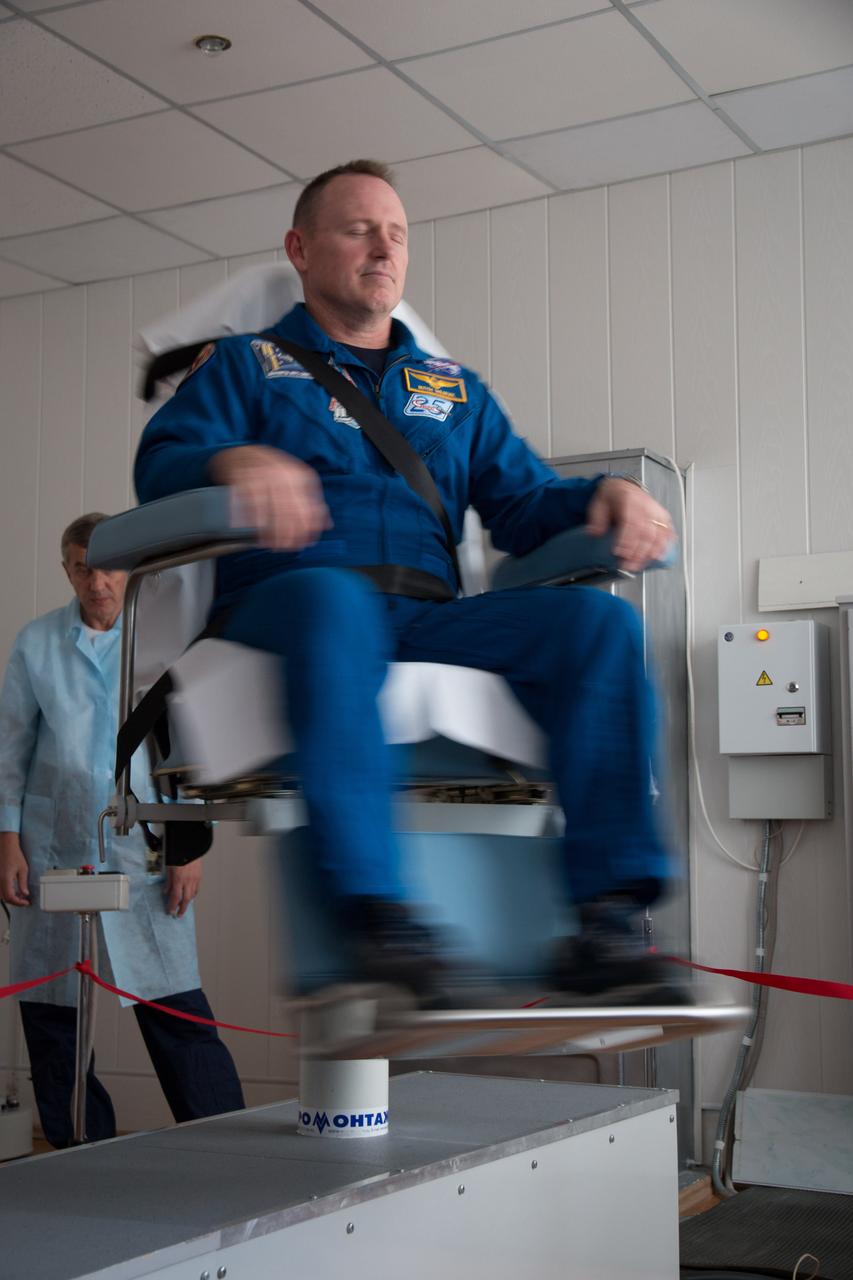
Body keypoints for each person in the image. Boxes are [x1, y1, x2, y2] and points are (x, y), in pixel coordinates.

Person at [134, 158, 683, 1008]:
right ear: (300, 249)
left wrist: (601, 496)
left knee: (598, 625)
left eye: (395, 233)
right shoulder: (246, 364)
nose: (384, 247)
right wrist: (232, 459)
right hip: (289, 596)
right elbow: (161, 462)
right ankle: (375, 916)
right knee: (335, 602)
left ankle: (607, 918)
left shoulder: (450, 390)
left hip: (425, 613)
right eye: (358, 229)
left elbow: (523, 505)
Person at [0, 514, 244, 1147]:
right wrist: (7, 841)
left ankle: (226, 1150)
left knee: (174, 1007)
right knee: (53, 1014)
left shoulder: (166, 640)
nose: (98, 582)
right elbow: (10, 752)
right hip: (54, 848)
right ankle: (80, 1157)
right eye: (83, 568)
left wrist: (189, 846)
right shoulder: (37, 644)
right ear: (67, 571)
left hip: (147, 853)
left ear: (131, 568)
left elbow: (196, 747)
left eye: (109, 567)